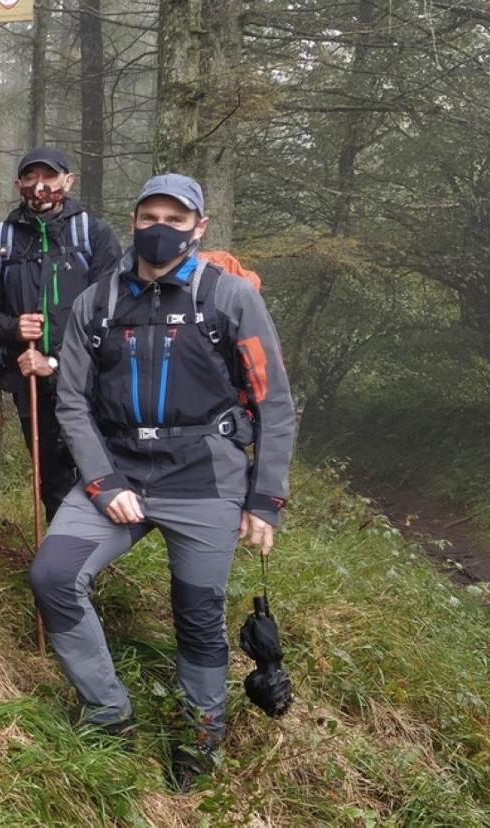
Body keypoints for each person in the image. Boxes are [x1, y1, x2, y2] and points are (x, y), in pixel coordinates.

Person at [27, 174, 296, 790]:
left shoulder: (230, 298)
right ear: (134, 219)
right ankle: (107, 710)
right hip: (118, 471)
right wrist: (103, 482)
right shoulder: (97, 302)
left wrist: (265, 500)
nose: (160, 229)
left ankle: (201, 733)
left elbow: (273, 401)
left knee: (197, 612)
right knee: (53, 576)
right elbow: (71, 402)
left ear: (199, 227)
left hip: (205, 477)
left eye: (176, 220)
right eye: (150, 217)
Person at [0, 146, 119, 523]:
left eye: (49, 177)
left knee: (94, 469)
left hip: (88, 379)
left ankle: (96, 546)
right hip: (29, 382)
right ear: (18, 184)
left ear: (67, 181)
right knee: (52, 478)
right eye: (31, 177)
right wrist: (12, 328)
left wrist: (55, 361)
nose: (40, 187)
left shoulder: (94, 234)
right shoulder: (2, 240)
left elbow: (111, 313)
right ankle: (62, 550)